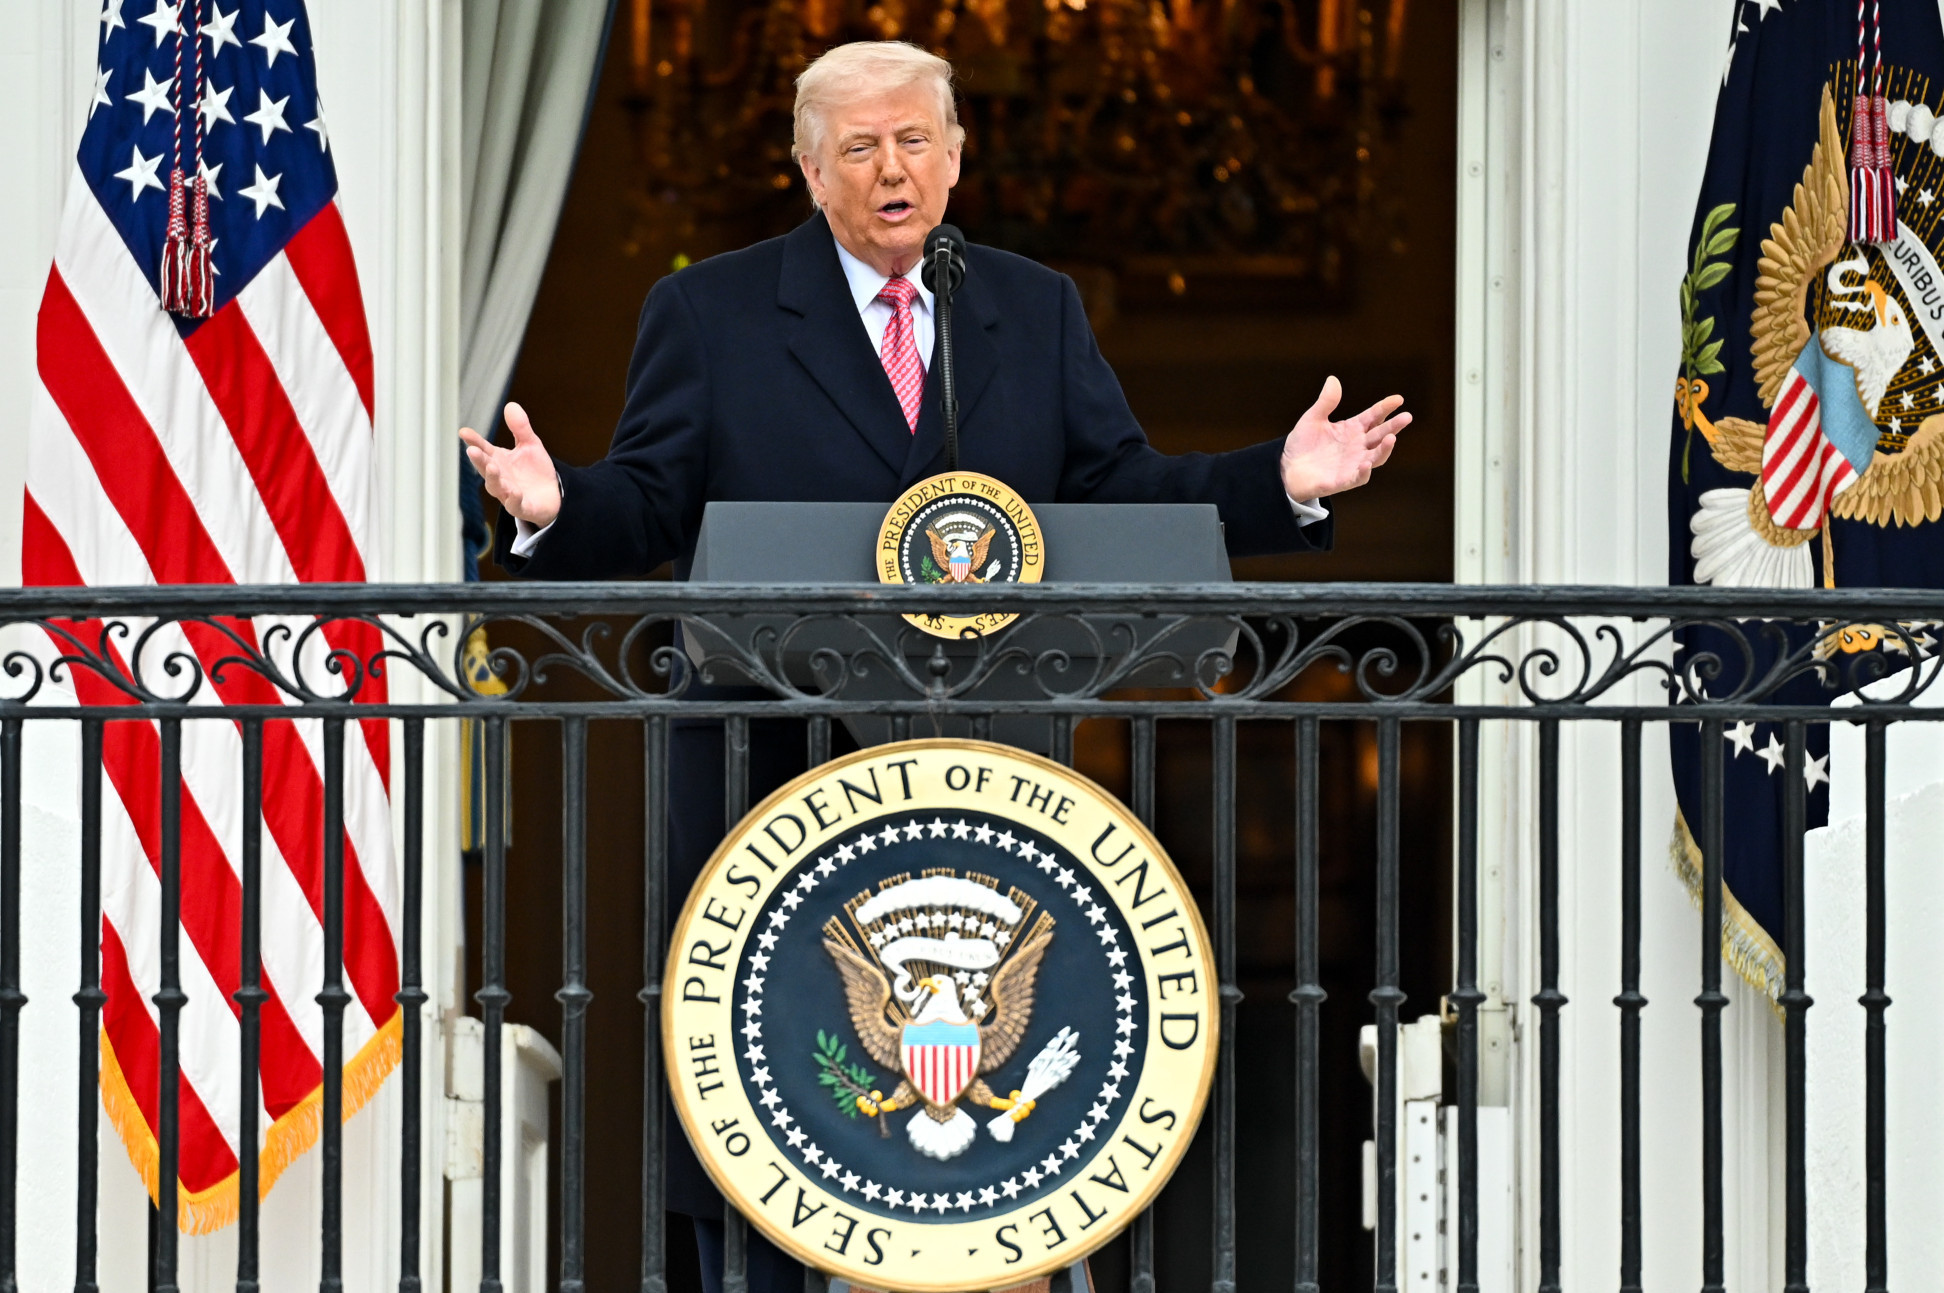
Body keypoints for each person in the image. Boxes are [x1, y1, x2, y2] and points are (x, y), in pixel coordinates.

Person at [461, 39, 1410, 1293]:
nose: (890, 169)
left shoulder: (1029, 305)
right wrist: (554, 507)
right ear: (810, 171)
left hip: (979, 784)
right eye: (857, 148)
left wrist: (1273, 483)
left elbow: (1115, 490)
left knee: (982, 1141)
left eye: (913, 141)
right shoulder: (711, 312)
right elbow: (645, 504)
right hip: (772, 779)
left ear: (956, 158)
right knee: (776, 1099)